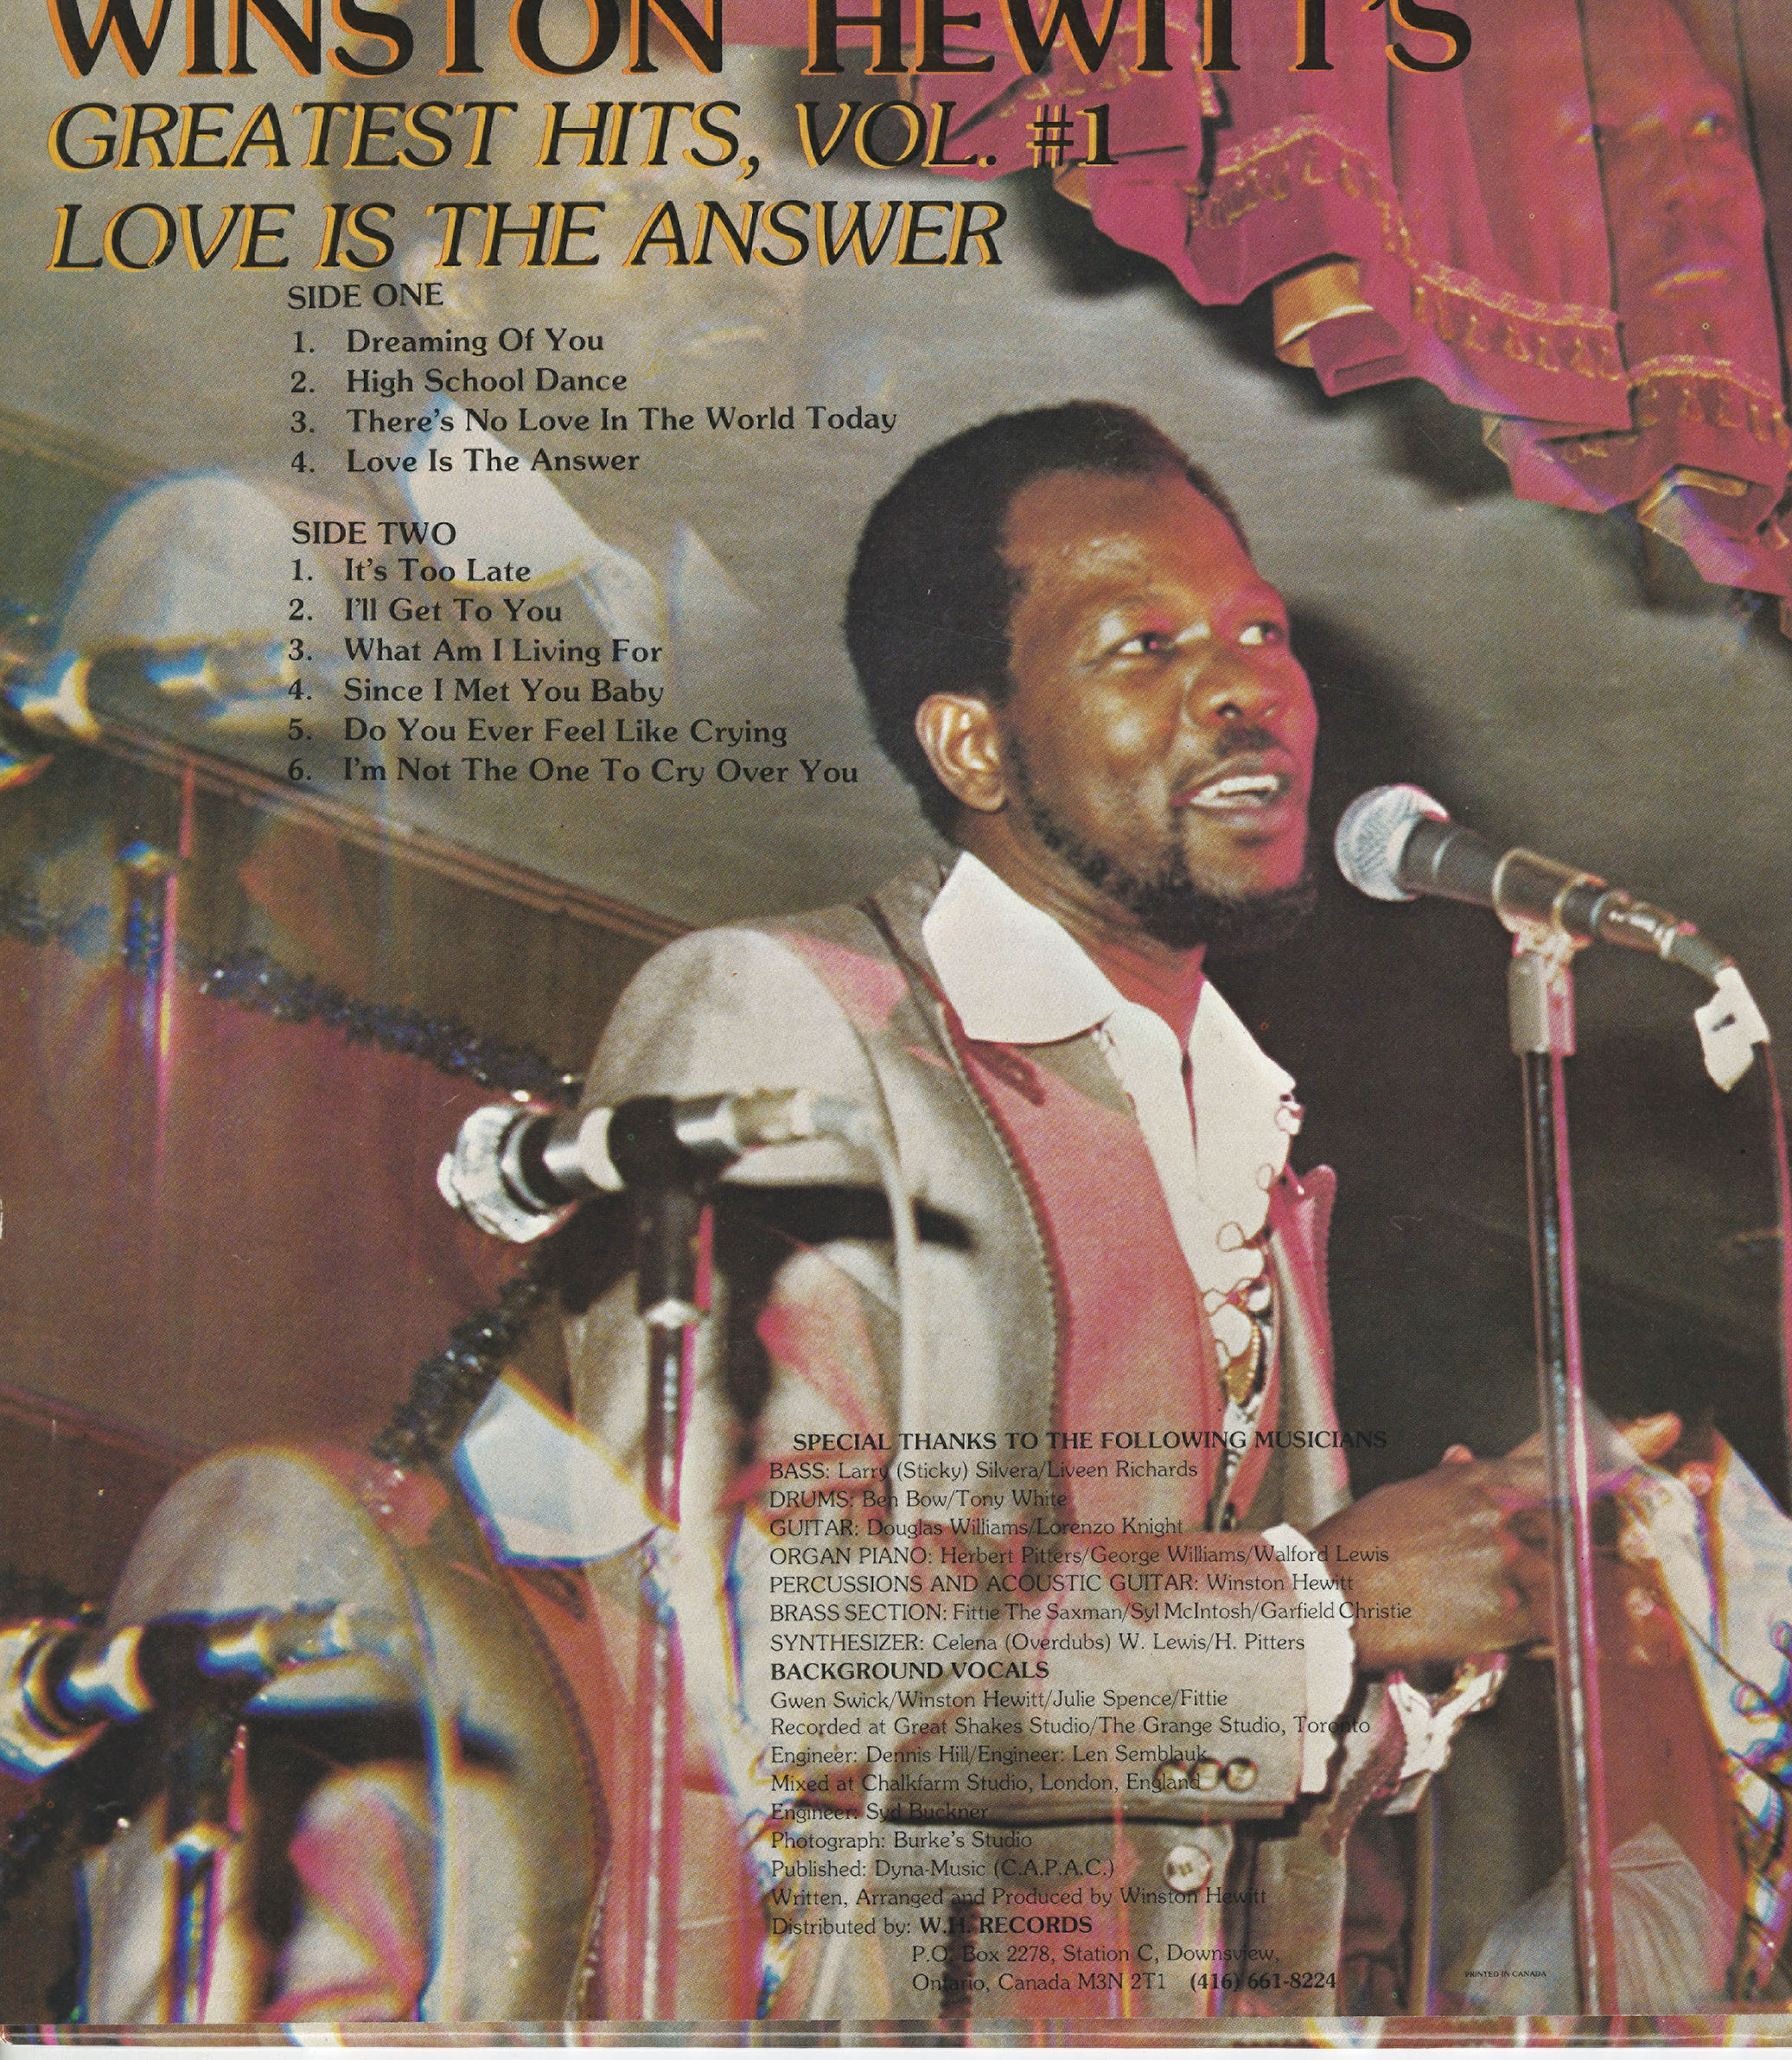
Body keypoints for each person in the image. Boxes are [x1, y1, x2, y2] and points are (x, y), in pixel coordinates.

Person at [542, 399, 1581, 2020]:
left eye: (1258, 631)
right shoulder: (783, 1015)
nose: (1245, 686)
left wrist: (1428, 1633)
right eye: (1144, 645)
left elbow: (1179, 1783)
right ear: (972, 745)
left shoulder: (1243, 1125)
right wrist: (1324, 1601)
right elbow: (756, 1645)